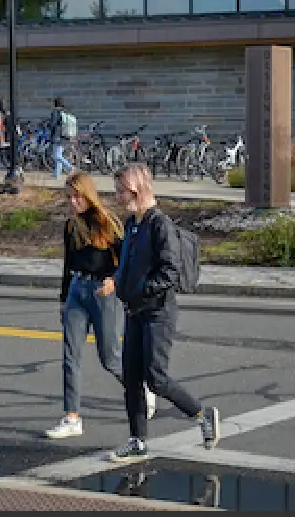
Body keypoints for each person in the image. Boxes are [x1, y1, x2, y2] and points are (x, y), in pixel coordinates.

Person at [107, 164, 220, 460]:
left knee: (155, 378)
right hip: (134, 311)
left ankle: (202, 414)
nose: (116, 197)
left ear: (134, 191)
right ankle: (137, 439)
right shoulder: (133, 223)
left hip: (158, 312)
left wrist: (142, 289)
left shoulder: (160, 225)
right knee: (132, 378)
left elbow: (170, 271)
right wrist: (118, 283)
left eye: (120, 191)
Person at [42, 171, 153, 439]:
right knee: (71, 356)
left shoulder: (107, 223)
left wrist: (115, 282)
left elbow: (126, 260)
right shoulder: (71, 227)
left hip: (103, 293)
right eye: (69, 197)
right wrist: (62, 298)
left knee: (110, 357)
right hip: (77, 292)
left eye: (77, 196)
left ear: (88, 195)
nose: (73, 202)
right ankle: (72, 417)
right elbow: (68, 265)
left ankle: (142, 390)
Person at [48, 97, 78, 181]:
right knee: (59, 154)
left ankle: (70, 168)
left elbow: (52, 124)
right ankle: (56, 174)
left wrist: (48, 125)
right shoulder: (64, 112)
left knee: (56, 156)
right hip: (64, 136)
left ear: (55, 104)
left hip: (57, 136)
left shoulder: (55, 112)